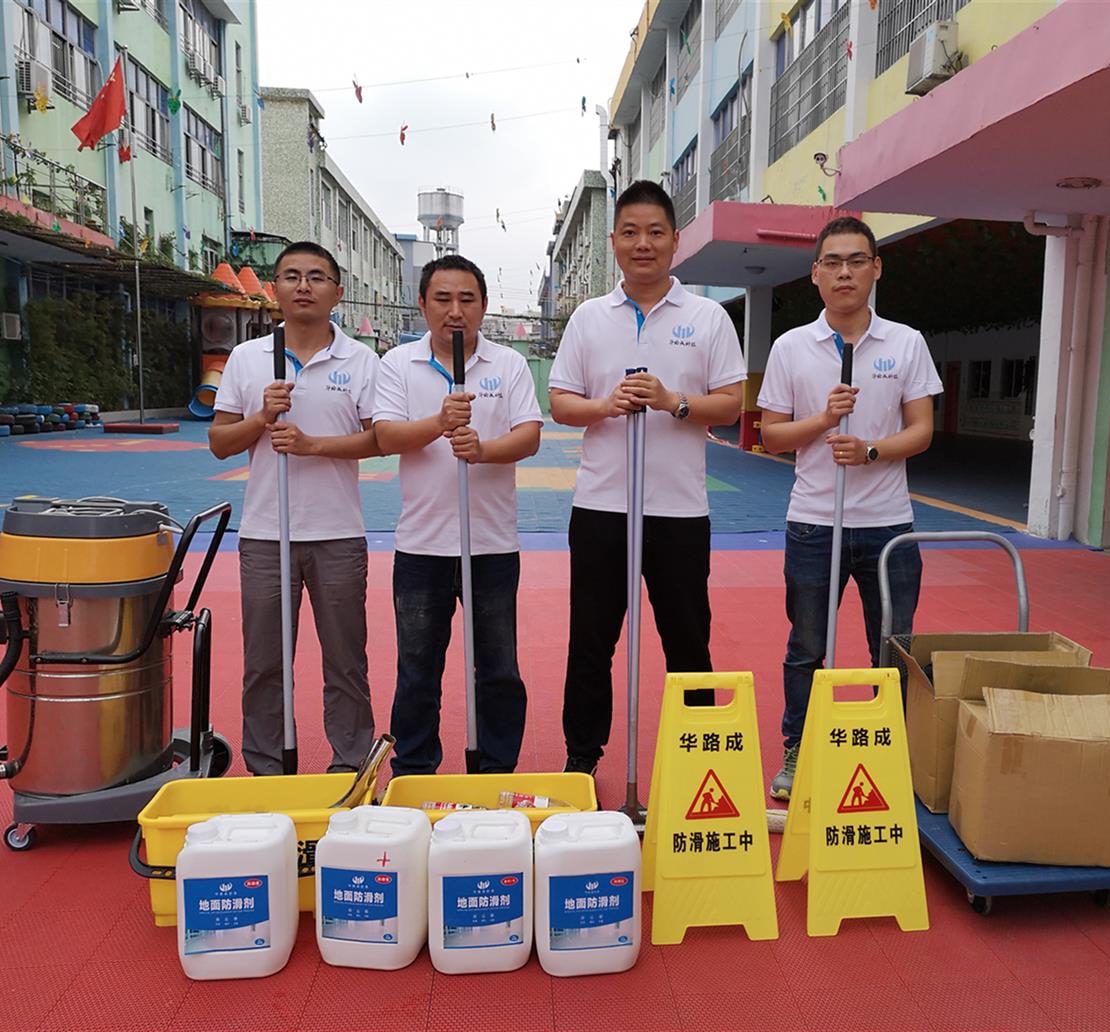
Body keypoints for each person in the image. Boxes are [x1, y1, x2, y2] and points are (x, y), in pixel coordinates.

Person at [549, 179, 746, 777]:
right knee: (591, 640)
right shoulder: (589, 318)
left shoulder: (708, 318)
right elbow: (560, 402)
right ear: (613, 242)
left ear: (674, 240)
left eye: (655, 232)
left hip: (679, 511)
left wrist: (671, 401)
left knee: (688, 642)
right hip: (602, 507)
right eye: (630, 232)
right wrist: (607, 405)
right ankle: (582, 756)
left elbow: (732, 403)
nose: (643, 244)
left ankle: (697, 760)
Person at [758, 215, 943, 800]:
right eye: (832, 262)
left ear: (875, 268)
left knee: (894, 647)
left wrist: (870, 450)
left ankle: (895, 749)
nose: (844, 272)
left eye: (856, 260)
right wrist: (822, 421)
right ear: (815, 275)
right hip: (815, 522)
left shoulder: (906, 342)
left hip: (890, 527)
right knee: (808, 646)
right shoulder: (792, 347)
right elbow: (772, 435)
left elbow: (922, 431)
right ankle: (800, 748)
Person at [209, 241, 381, 774]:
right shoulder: (247, 358)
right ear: (276, 289)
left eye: (316, 277)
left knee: (346, 661)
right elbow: (219, 443)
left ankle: (350, 765)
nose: (303, 286)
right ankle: (267, 768)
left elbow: (379, 441)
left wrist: (314, 446)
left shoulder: (359, 360)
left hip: (337, 533)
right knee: (264, 663)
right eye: (290, 276)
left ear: (337, 291)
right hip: (266, 533)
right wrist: (261, 418)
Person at [372, 255, 542, 775]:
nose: (455, 311)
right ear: (422, 304)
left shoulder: (508, 364)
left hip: (490, 544)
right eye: (442, 299)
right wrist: (439, 421)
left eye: (467, 300)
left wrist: (484, 450)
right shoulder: (398, 364)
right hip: (422, 545)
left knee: (498, 667)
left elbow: (529, 434)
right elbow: (385, 436)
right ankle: (415, 769)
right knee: (418, 668)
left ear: (484, 306)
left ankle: (493, 768)